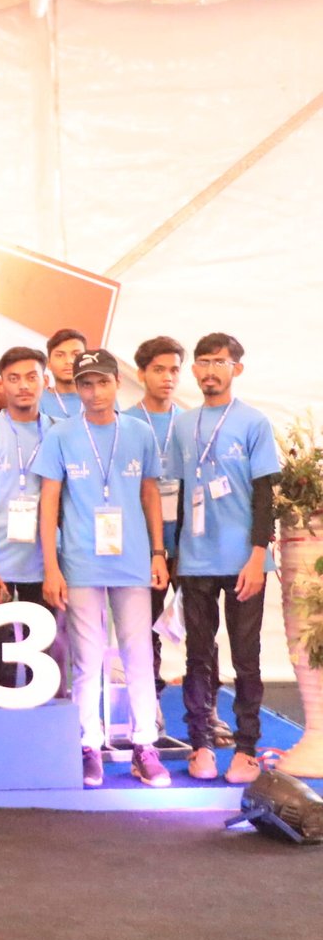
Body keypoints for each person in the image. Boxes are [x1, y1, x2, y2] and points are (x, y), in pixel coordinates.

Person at [33, 349, 170, 788]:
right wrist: (51, 566)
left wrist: (158, 552)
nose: (95, 392)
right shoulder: (60, 435)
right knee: (88, 660)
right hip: (81, 562)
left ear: (116, 383)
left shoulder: (139, 432)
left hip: (132, 560)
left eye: (102, 382)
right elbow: (49, 502)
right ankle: (88, 744)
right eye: (86, 384)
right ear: (76, 388)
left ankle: (144, 745)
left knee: (138, 655)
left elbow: (149, 494)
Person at [166, 332, 281, 784]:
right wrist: (172, 554)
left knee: (247, 658)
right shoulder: (182, 425)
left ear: (236, 368)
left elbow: (264, 495)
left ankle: (247, 749)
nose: (210, 370)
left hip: (242, 561)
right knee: (197, 656)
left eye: (220, 361)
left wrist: (258, 556)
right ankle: (201, 744)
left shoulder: (254, 422)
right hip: (194, 559)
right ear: (194, 370)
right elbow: (177, 494)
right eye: (203, 362)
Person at [0, 347, 61, 699]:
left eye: (32, 377)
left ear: (45, 381)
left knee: (43, 663)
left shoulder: (59, 433)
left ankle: (40, 731)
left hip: (45, 566)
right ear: (1, 384)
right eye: (14, 378)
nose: (23, 386)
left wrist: (54, 569)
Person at [125, 337, 185, 703]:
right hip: (143, 547)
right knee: (144, 629)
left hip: (188, 544)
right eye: (159, 370)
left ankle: (204, 709)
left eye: (174, 370)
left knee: (199, 627)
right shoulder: (125, 422)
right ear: (141, 373)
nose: (167, 378)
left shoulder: (189, 422)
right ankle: (150, 705)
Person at [41, 329, 87, 420]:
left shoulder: (102, 398)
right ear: (48, 363)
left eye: (76, 355)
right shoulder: (36, 402)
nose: (69, 361)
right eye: (60, 355)